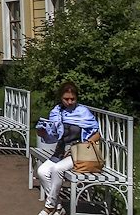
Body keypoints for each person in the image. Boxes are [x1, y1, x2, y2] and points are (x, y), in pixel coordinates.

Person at [34, 81, 101, 215]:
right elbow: (52, 137)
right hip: (61, 151)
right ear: (61, 98)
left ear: (76, 98)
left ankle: (49, 207)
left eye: (72, 99)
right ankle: (58, 206)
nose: (69, 102)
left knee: (57, 169)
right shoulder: (56, 112)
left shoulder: (82, 112)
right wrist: (42, 133)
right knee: (42, 171)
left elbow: (97, 133)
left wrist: (85, 144)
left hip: (78, 153)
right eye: (66, 99)